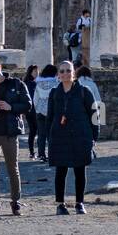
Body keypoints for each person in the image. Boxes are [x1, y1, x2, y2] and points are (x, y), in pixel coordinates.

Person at [0, 55, 33, 216]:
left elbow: (28, 105)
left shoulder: (16, 84)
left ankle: (15, 202)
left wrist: (11, 107)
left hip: (10, 132)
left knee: (13, 168)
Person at [47, 60, 96, 214]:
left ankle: (79, 203)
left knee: (79, 170)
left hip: (80, 135)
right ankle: (60, 204)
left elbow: (95, 114)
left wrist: (94, 136)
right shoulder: (54, 93)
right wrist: (49, 137)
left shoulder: (84, 91)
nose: (65, 74)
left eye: (68, 70)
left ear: (74, 72)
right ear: (58, 75)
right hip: (60, 136)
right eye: (62, 71)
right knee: (60, 171)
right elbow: (50, 117)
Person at [32, 64, 58, 162]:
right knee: (52, 135)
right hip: (53, 113)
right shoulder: (56, 84)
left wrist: (38, 109)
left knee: (41, 135)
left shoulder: (38, 84)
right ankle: (52, 154)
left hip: (40, 112)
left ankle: (41, 154)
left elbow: (35, 99)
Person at [22, 65, 40, 160]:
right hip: (33, 110)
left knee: (33, 131)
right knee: (37, 131)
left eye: (37, 72)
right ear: (31, 72)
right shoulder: (32, 84)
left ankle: (32, 152)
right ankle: (36, 152)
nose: (37, 73)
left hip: (28, 110)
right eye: (35, 72)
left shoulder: (26, 83)